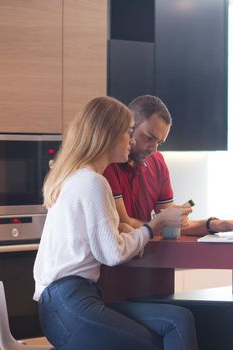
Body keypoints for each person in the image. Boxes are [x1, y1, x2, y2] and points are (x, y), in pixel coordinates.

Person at [33, 96, 198, 350]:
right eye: (127, 132)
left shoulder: (81, 178)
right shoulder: (93, 182)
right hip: (69, 303)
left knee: (178, 320)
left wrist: (135, 228)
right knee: (154, 342)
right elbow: (112, 252)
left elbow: (108, 239)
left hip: (69, 301)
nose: (131, 141)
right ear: (108, 136)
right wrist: (153, 226)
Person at [103, 95, 233, 236]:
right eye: (149, 137)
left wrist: (213, 224)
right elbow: (122, 224)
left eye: (159, 143)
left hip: (153, 260)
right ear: (129, 127)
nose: (154, 149)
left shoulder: (157, 161)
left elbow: (173, 225)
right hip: (118, 263)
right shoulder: (109, 164)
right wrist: (164, 222)